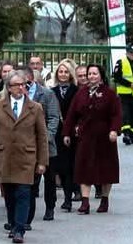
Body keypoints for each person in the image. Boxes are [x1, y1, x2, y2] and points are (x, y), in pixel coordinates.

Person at [0, 73, 50, 244]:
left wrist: (42, 161)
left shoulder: (35, 108)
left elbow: (41, 136)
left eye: (23, 85)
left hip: (26, 158)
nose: (21, 88)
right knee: (9, 195)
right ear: (9, 88)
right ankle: (13, 224)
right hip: (4, 157)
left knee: (23, 193)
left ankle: (20, 229)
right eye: (17, 85)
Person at [67, 64, 122, 214]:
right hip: (85, 136)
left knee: (106, 169)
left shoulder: (110, 94)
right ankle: (85, 202)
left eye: (94, 74)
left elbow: (116, 114)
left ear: (101, 76)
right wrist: (67, 133)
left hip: (104, 137)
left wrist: (114, 130)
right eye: (89, 74)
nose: (91, 76)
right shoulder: (81, 93)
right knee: (84, 168)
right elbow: (72, 114)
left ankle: (104, 199)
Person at [24, 67, 64, 222]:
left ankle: (50, 207)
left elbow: (54, 117)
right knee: (30, 180)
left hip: (46, 144)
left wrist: (47, 137)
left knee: (49, 178)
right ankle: (28, 212)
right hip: (27, 144)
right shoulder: (17, 95)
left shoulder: (47, 94)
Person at [47, 61, 82, 214]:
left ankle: (71, 196)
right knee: (60, 165)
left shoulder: (77, 91)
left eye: (66, 72)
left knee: (70, 165)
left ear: (70, 74)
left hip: (72, 131)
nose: (63, 74)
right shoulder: (52, 91)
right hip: (57, 131)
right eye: (60, 72)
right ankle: (66, 196)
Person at [113, 46, 133, 145]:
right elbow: (117, 77)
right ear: (127, 53)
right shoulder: (120, 62)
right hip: (124, 94)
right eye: (131, 53)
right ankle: (126, 135)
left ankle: (132, 135)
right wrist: (130, 84)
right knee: (125, 114)